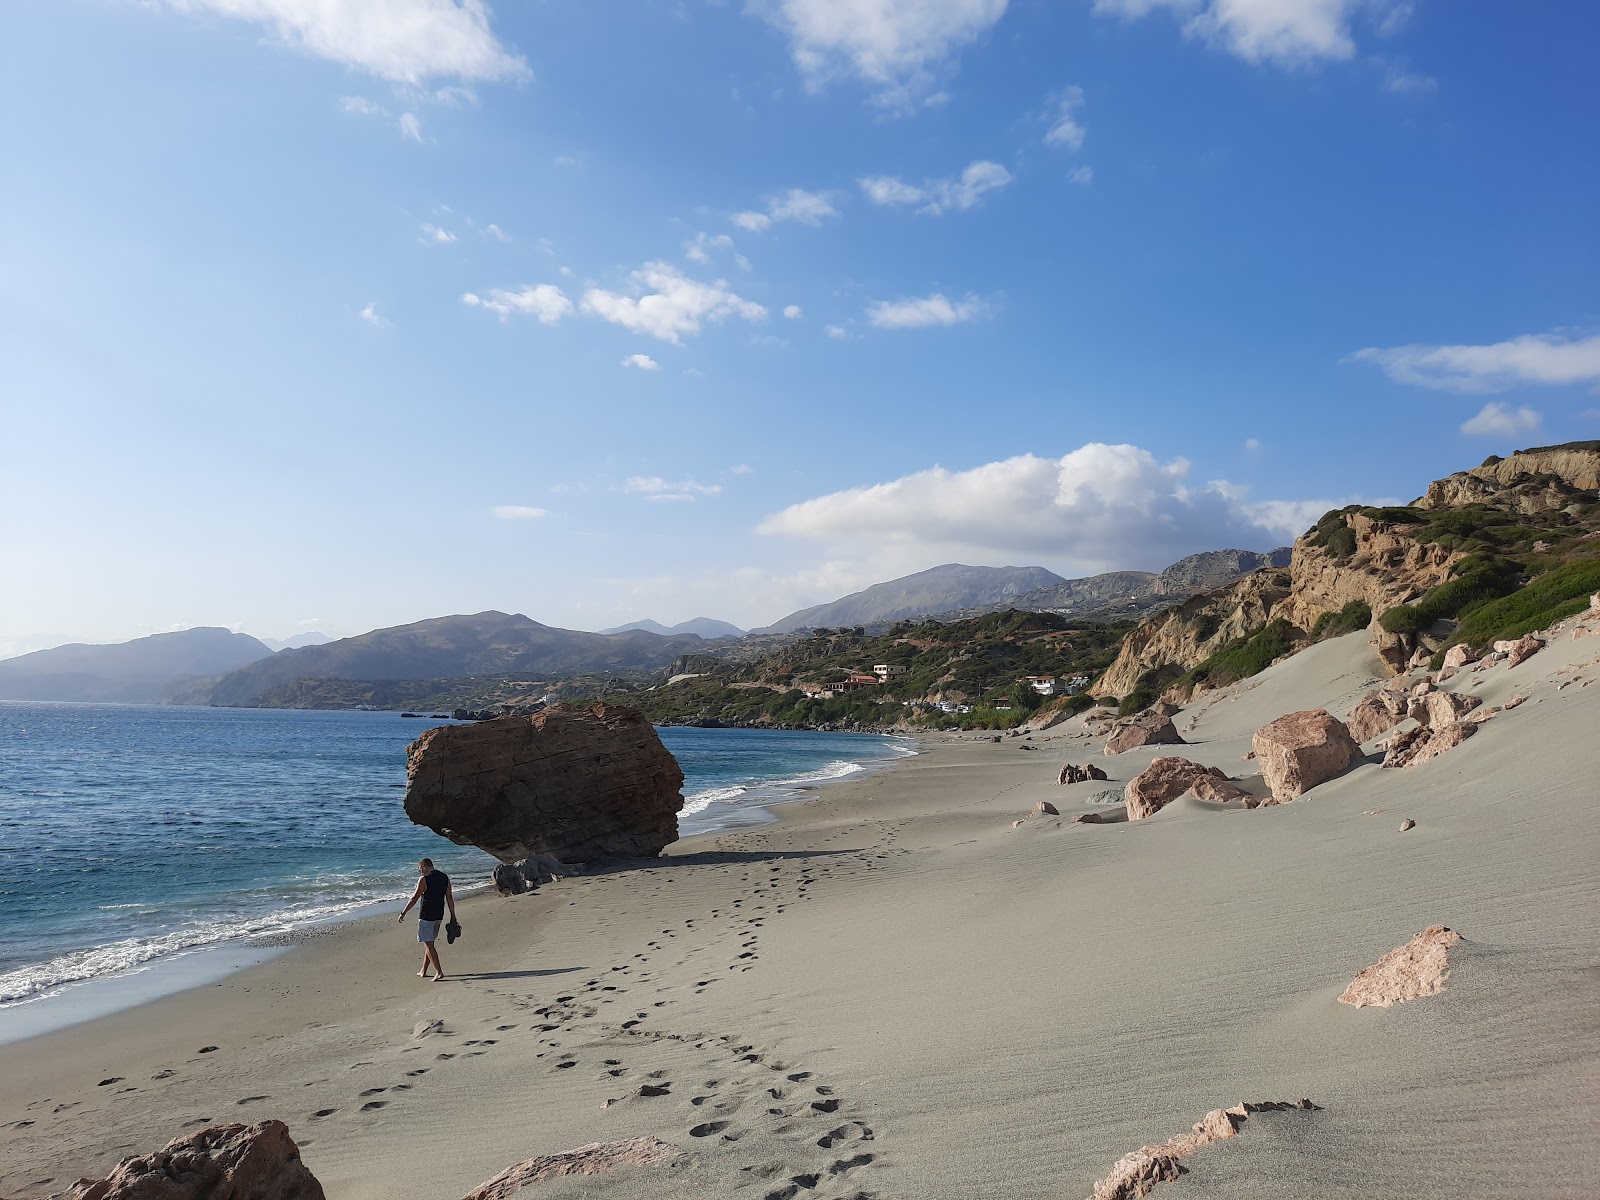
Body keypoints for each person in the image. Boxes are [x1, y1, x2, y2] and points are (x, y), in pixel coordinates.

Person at [398, 858, 455, 981]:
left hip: (426, 916)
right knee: (429, 943)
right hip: (439, 914)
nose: (421, 873)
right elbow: (449, 897)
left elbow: (414, 898)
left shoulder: (424, 879)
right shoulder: (444, 877)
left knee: (429, 945)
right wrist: (453, 915)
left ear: (424, 866)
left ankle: (439, 972)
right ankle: (423, 971)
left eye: (420, 870)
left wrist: (403, 912)